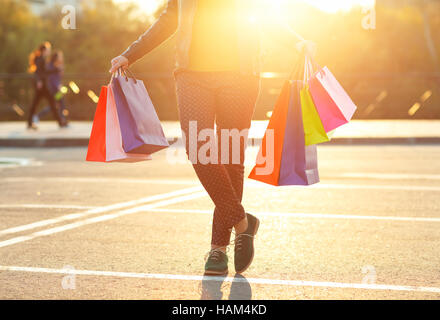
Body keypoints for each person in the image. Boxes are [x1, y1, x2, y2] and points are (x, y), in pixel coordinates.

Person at [110, 0, 316, 275]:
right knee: (198, 149)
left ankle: (218, 249)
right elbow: (172, 16)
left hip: (240, 75)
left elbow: (262, 13)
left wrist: (295, 41)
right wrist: (131, 54)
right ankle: (243, 222)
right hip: (191, 74)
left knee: (231, 158)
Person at [27, 42, 66, 129]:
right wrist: (39, 81)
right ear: (44, 50)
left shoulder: (42, 59)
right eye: (48, 50)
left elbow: (45, 72)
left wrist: (56, 70)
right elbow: (38, 72)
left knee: (47, 103)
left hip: (43, 86)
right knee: (50, 103)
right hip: (42, 86)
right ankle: (60, 121)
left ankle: (30, 122)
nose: (49, 51)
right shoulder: (40, 59)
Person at [34, 51, 69, 126]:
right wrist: (58, 86)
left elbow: (58, 78)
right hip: (53, 89)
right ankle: (38, 116)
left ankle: (62, 120)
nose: (61, 58)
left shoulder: (57, 66)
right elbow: (52, 78)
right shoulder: (51, 66)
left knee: (59, 104)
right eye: (60, 56)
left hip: (57, 89)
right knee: (55, 105)